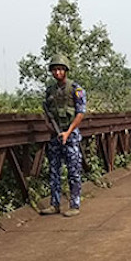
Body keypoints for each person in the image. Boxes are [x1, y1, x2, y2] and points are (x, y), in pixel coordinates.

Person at [40, 54, 86, 217]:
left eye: (60, 69)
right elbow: (46, 112)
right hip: (55, 136)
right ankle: (55, 204)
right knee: (54, 171)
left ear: (65, 70)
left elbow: (80, 113)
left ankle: (74, 204)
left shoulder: (76, 89)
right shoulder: (49, 91)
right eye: (54, 70)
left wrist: (68, 132)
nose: (57, 72)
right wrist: (49, 126)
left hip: (71, 135)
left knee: (73, 171)